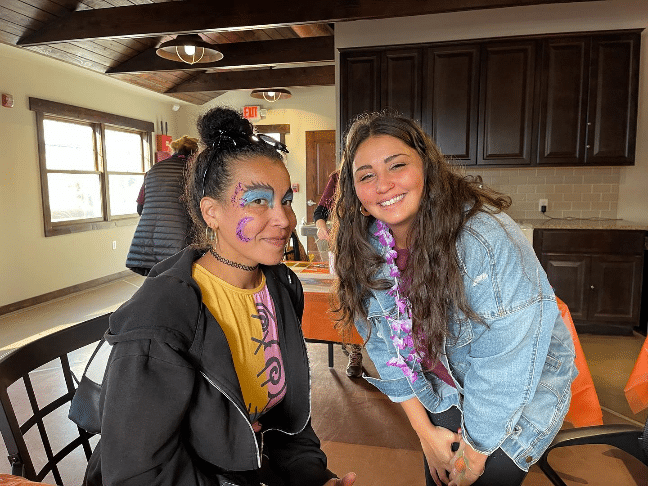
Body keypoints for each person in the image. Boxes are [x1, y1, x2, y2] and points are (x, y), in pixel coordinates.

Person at [84, 107, 356, 486]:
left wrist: (312, 477)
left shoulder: (280, 287)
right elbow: (136, 474)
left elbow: (287, 424)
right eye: (259, 201)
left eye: (287, 200)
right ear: (211, 212)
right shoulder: (160, 318)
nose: (285, 219)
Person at [330, 112, 577, 486]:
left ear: (428, 170)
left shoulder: (482, 240)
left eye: (397, 165)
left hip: (516, 392)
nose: (383, 184)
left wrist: (474, 456)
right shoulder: (365, 247)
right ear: (357, 196)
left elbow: (504, 365)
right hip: (442, 385)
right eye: (366, 175)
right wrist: (425, 434)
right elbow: (386, 348)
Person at [313, 170, 364, 378]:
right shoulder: (336, 178)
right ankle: (356, 352)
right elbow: (320, 212)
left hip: (370, 246)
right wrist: (321, 227)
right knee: (349, 300)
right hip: (342, 248)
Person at [125, 135, 199, 276]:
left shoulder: (153, 170)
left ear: (174, 150)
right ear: (195, 152)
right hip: (179, 239)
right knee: (180, 282)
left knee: (157, 283)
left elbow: (140, 207)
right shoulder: (192, 170)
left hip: (146, 240)